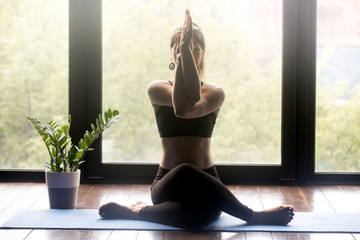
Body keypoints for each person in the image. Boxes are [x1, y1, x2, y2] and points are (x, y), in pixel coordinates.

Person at [99, 9, 294, 228]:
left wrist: (184, 51)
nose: (188, 52)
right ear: (172, 53)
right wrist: (184, 53)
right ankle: (253, 216)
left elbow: (190, 106)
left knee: (202, 216)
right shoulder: (157, 88)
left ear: (203, 53)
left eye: (194, 48)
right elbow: (181, 108)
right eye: (182, 47)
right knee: (184, 170)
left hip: (207, 179)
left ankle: (137, 211)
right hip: (167, 183)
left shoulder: (215, 92)